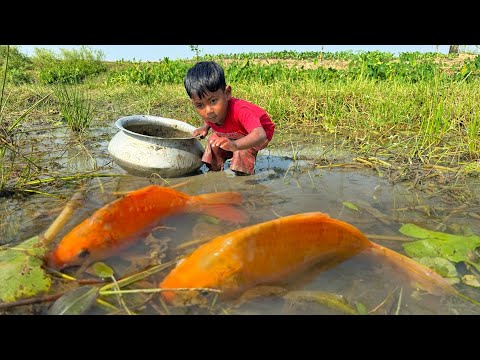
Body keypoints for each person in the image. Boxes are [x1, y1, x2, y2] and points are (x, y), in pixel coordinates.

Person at [184, 61, 275, 175]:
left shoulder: (240, 111)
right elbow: (208, 118)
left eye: (213, 101)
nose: (208, 111)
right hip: (235, 132)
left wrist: (235, 145)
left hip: (257, 132)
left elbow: (260, 135)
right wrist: (204, 127)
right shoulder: (213, 113)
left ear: (227, 93)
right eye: (199, 105)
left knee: (242, 151)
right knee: (213, 143)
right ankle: (214, 172)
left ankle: (242, 178)